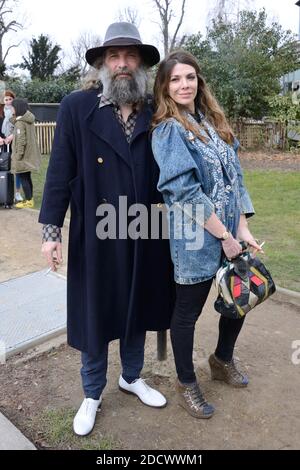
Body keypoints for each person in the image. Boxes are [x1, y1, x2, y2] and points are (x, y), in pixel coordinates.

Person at [39, 22, 175, 437]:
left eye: (129, 56)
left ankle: (131, 376)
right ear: (101, 63)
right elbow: (59, 171)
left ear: (140, 64)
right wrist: (50, 233)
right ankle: (92, 392)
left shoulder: (158, 111)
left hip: (146, 228)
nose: (121, 64)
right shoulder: (76, 107)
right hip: (96, 232)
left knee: (139, 305)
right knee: (96, 312)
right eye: (113, 57)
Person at [151, 50, 263, 419]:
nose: (184, 85)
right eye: (176, 79)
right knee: (187, 313)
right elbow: (183, 191)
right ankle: (186, 381)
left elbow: (237, 177)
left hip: (230, 232)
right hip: (195, 238)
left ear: (199, 81)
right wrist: (224, 237)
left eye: (190, 77)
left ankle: (221, 359)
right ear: (165, 87)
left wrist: (242, 227)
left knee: (240, 299)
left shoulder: (213, 122)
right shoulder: (169, 130)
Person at [10, 99, 41, 208]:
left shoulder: (20, 123)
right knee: (27, 177)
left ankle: (28, 200)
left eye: (12, 107)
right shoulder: (27, 120)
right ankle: (30, 199)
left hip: (23, 156)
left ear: (17, 108)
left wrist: (18, 155)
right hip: (29, 154)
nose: (11, 109)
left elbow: (21, 140)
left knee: (24, 178)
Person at [0, 90, 23, 202]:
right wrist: (1, 138)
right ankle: (3, 191)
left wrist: (11, 137)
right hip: (2, 143)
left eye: (10, 99)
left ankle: (17, 193)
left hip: (15, 142)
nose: (8, 101)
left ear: (13, 99)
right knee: (3, 167)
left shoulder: (17, 112)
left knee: (16, 168)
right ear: (3, 101)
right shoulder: (1, 111)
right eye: (6, 99)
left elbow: (20, 127)